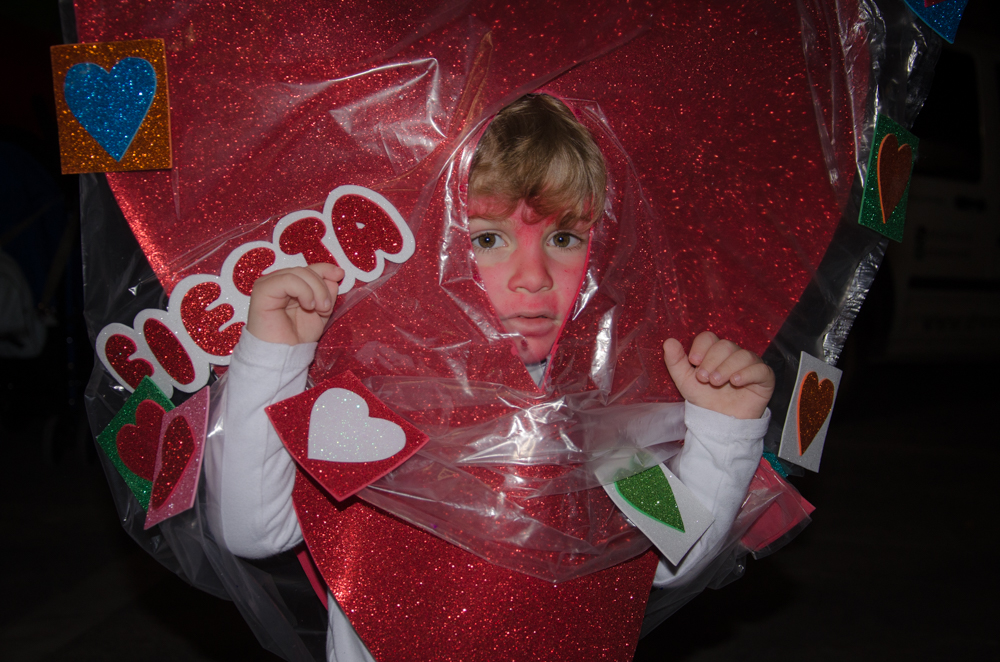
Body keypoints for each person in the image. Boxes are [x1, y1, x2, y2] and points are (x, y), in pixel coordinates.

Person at [205, 94, 774, 662]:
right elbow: (255, 528)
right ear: (430, 246)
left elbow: (672, 553)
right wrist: (276, 355)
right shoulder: (379, 396)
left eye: (563, 238)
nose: (534, 276)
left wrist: (723, 428)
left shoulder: (588, 417)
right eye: (487, 238)